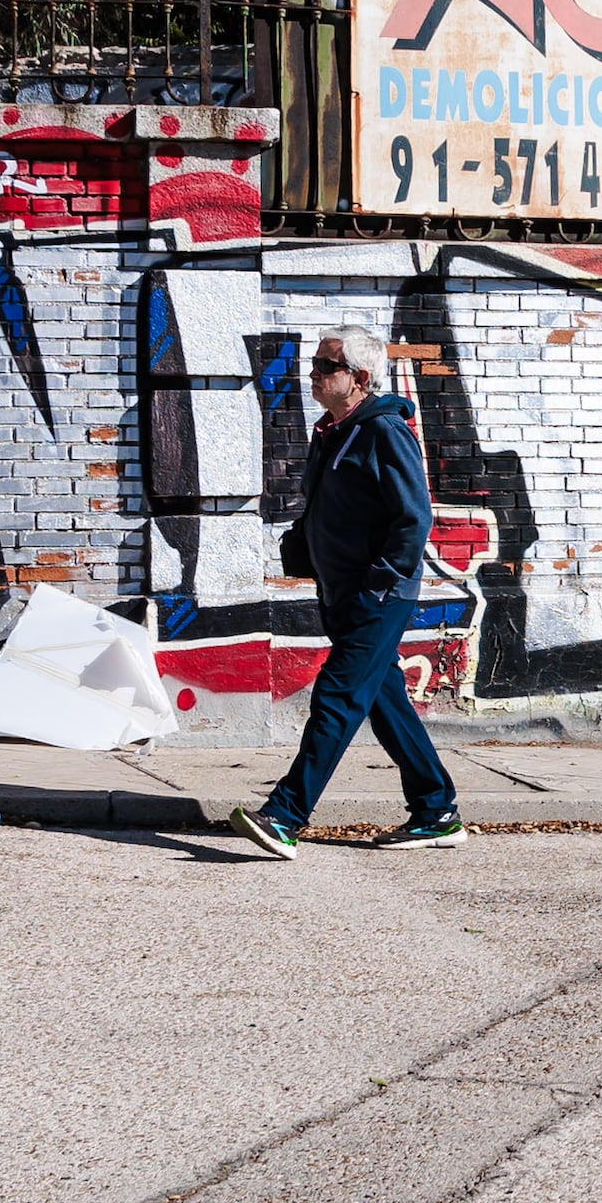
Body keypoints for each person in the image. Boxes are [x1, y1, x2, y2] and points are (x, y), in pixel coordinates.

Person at [229, 331, 466, 857]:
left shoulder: (384, 431)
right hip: (343, 592)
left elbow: (414, 518)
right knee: (384, 704)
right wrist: (303, 543)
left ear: (359, 379)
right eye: (314, 364)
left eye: (325, 365)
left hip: (376, 597)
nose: (313, 373)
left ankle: (286, 816)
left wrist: (379, 584)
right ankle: (436, 808)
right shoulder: (334, 432)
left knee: (335, 698)